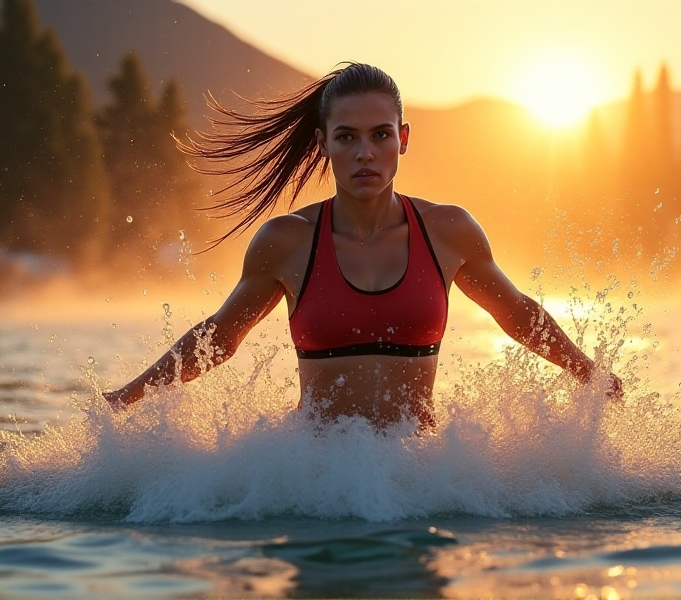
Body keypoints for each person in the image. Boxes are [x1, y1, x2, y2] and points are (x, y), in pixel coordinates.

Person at [103, 63, 622, 429]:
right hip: (318, 484)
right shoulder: (286, 241)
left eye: (380, 135)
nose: (365, 153)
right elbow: (220, 336)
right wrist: (127, 397)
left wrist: (589, 372)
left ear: (404, 138)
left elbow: (517, 314)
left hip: (417, 483)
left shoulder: (448, 231)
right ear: (324, 142)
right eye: (347, 137)